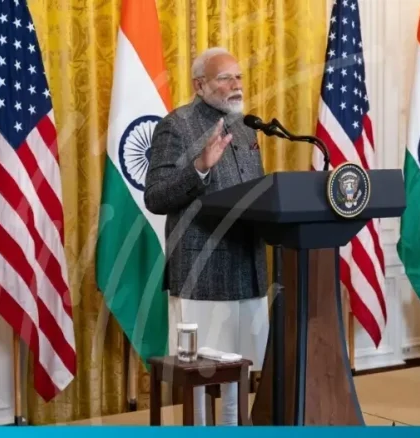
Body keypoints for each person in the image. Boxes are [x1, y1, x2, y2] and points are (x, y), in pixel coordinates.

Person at [144, 47, 269, 426]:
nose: (236, 85)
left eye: (238, 77)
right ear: (200, 85)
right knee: (201, 380)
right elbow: (156, 196)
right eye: (225, 78)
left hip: (248, 268)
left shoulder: (246, 126)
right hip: (201, 273)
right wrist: (198, 167)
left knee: (241, 375)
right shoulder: (176, 125)